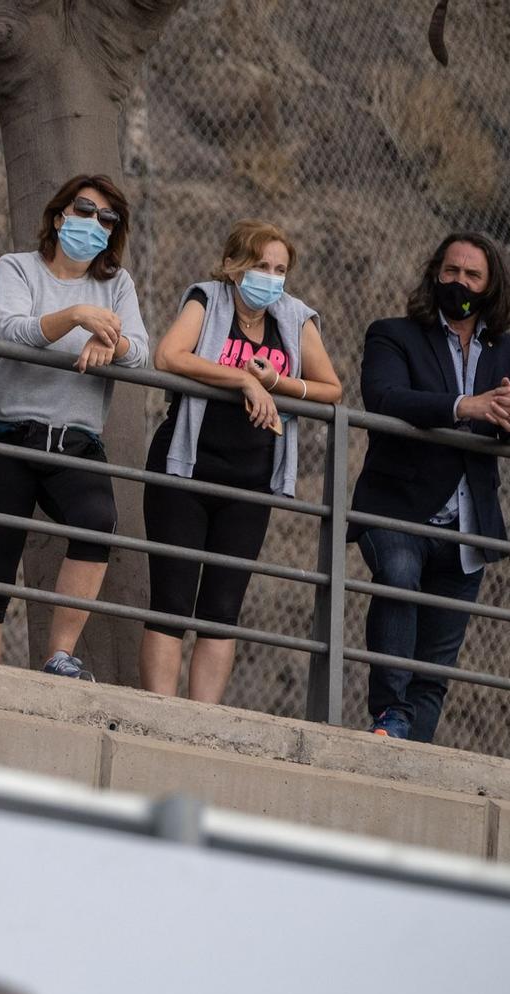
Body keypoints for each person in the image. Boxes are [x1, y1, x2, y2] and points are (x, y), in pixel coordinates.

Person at [352, 231, 510, 743]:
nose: (459, 282)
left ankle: (412, 757)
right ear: (435, 273)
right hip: (398, 508)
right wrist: (465, 405)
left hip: (467, 525)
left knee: (435, 668)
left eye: (472, 275)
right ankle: (388, 718)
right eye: (451, 271)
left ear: (490, 285)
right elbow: (385, 397)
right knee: (397, 575)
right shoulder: (392, 334)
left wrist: (503, 413)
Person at [142, 220, 342, 703]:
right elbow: (168, 356)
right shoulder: (207, 300)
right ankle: (158, 714)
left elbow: (332, 389)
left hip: (251, 480)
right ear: (234, 267)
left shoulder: (295, 318)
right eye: (260, 266)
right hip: (183, 468)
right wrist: (241, 380)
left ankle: (200, 722)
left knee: (223, 607)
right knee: (171, 600)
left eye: (279, 269)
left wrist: (275, 382)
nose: (270, 277)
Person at [0, 175, 148, 683]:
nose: (94, 223)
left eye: (107, 219)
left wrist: (114, 344)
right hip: (3, 433)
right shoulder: (16, 267)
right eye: (85, 210)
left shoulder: (118, 284)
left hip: (74, 438)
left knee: (96, 520)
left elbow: (141, 351)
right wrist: (78, 316)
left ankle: (58, 657)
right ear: (61, 215)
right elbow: (15, 329)